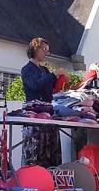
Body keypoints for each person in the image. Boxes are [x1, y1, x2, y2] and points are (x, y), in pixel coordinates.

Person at [21, 38, 66, 167]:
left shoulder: (45, 70)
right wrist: (53, 74)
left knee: (52, 153)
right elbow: (35, 85)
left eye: (48, 50)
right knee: (36, 154)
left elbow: (51, 90)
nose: (46, 53)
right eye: (44, 49)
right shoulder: (27, 69)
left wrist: (61, 81)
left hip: (49, 115)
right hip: (34, 117)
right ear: (35, 49)